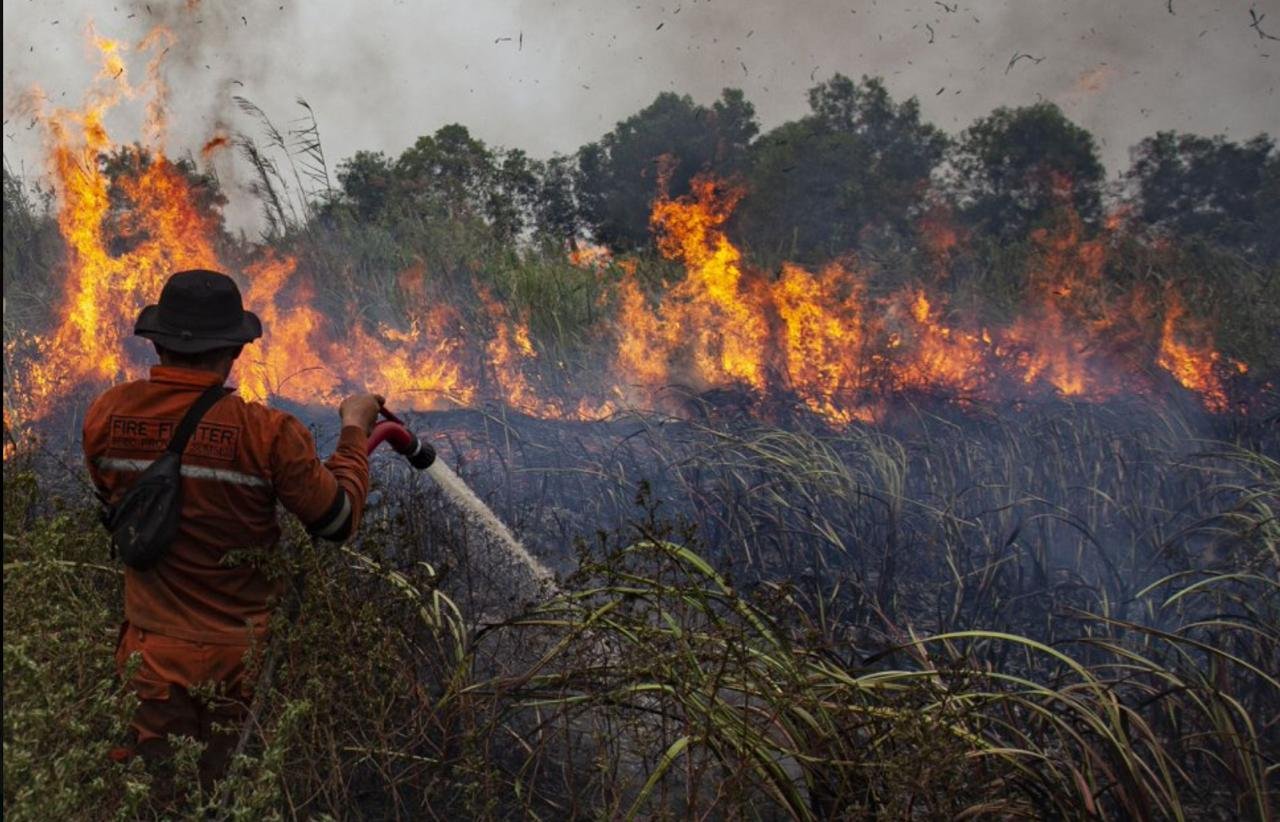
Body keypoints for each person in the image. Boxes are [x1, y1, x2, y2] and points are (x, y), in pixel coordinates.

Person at [82, 268, 382, 792]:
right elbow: (337, 521)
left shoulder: (106, 415)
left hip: (150, 661)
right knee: (234, 791)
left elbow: (114, 502)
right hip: (240, 665)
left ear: (157, 344)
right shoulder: (268, 433)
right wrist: (355, 432)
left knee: (154, 795)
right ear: (235, 351)